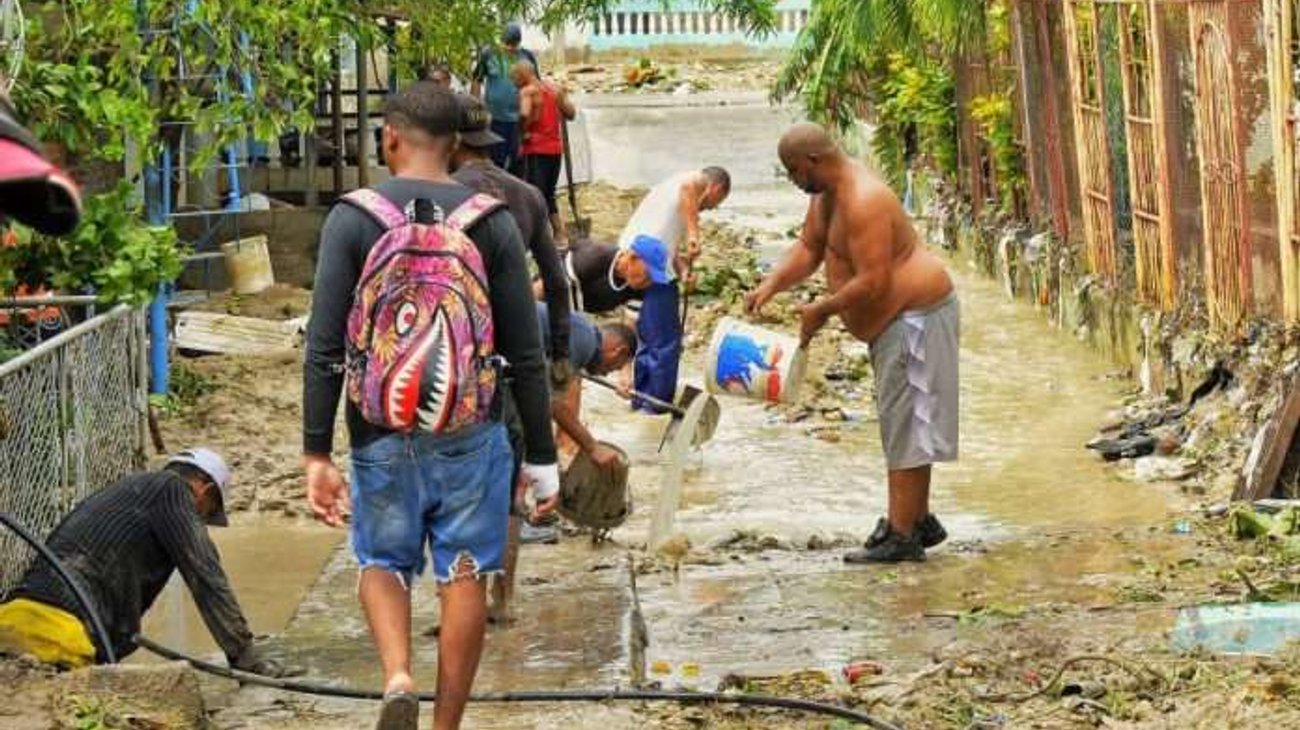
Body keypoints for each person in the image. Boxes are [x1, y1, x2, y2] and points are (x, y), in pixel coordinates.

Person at [302, 82, 558, 730]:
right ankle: (445, 726)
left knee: (381, 562)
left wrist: (316, 452)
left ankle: (397, 675)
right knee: (464, 572)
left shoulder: (352, 218)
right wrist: (546, 458)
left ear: (389, 136)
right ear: (457, 145)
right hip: (471, 430)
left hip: (378, 430)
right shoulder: (493, 220)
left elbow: (326, 344)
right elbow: (525, 353)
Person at [745, 122, 959, 563]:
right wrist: (771, 285)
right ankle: (915, 519)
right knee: (904, 420)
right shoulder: (825, 197)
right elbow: (809, 247)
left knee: (906, 422)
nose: (792, 180)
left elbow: (875, 282)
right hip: (893, 324)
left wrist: (822, 310)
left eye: (793, 171)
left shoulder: (865, 200)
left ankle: (901, 534)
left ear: (814, 162)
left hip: (913, 316)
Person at [0, 449, 291, 675]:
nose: (200, 521)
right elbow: (206, 577)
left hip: (13, 622)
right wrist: (245, 658)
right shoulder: (172, 490)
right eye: (207, 513)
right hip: (60, 636)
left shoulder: (130, 492)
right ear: (203, 488)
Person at [489, 304, 638, 617]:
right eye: (614, 368)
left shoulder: (578, 331)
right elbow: (548, 401)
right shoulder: (581, 342)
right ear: (616, 350)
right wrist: (591, 446)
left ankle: (493, 591)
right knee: (507, 487)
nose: (608, 374)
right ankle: (500, 599)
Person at [451, 93, 570, 374]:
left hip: (459, 341)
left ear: (451, 140)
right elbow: (556, 282)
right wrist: (561, 352)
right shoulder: (529, 195)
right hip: (516, 341)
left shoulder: (444, 194)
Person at [616, 168, 731, 411]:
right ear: (716, 189)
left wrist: (682, 270)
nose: (708, 209)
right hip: (648, 267)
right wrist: (693, 233)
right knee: (665, 343)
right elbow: (690, 189)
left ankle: (642, 403)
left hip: (634, 261)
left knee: (646, 339)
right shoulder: (695, 182)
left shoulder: (669, 190)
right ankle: (656, 408)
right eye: (714, 203)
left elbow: (669, 246)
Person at [513, 61, 576, 246]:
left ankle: (537, 237)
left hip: (536, 149)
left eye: (514, 76)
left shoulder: (527, 91)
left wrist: (523, 131)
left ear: (525, 73)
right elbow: (571, 113)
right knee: (548, 193)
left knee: (535, 194)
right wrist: (561, 98)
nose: (513, 81)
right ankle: (559, 234)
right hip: (555, 149)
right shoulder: (554, 89)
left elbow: (524, 114)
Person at [470, 22, 538, 174]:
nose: (510, 48)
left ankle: (517, 194)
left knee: (518, 162)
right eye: (508, 44)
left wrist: (533, 119)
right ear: (502, 41)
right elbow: (477, 80)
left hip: (519, 120)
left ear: (519, 42)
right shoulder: (489, 54)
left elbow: (536, 85)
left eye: (514, 45)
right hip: (495, 118)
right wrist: (476, 111)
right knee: (495, 162)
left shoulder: (527, 56)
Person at [548, 235, 670, 316]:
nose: (649, 282)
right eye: (648, 274)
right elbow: (544, 286)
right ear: (632, 258)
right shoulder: (593, 258)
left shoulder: (639, 286)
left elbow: (631, 326)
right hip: (550, 293)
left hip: (579, 309)